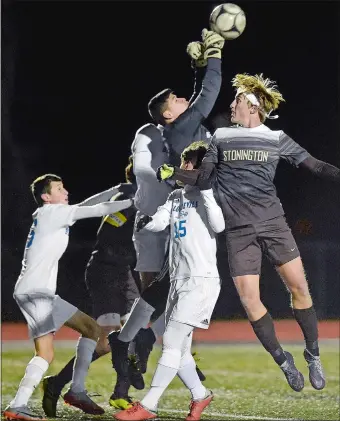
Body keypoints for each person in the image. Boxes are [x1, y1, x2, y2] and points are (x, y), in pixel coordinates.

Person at [157, 73, 340, 392]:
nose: (231, 104)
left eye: (237, 100)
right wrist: (174, 174)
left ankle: (312, 355)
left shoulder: (277, 138)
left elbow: (316, 166)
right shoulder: (221, 137)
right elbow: (203, 180)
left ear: (253, 107)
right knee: (250, 301)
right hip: (239, 232)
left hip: (274, 225)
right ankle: (284, 361)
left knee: (300, 290)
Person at [109, 28, 225, 378]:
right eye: (174, 99)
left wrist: (197, 65)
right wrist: (216, 55)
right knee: (182, 285)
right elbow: (209, 92)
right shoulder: (178, 128)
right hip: (195, 208)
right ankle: (148, 343)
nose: (181, 100)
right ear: (168, 115)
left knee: (174, 286)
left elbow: (196, 95)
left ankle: (140, 340)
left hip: (197, 204)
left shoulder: (180, 126)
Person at [3, 174, 134, 421]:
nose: (66, 192)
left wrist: (116, 188)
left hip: (38, 292)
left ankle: (76, 390)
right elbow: (100, 209)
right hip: (37, 293)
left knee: (92, 330)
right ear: (46, 197)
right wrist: (135, 202)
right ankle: (17, 405)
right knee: (45, 354)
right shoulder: (51, 213)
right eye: (59, 189)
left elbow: (85, 206)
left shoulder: (52, 214)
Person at [114, 141, 225, 421]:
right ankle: (201, 395)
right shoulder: (176, 196)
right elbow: (160, 222)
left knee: (171, 342)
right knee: (182, 350)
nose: (184, 167)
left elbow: (220, 225)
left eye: (188, 163)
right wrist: (146, 222)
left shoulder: (208, 194)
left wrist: (208, 192)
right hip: (178, 281)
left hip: (200, 281)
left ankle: (149, 404)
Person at [41, 159, 141, 417]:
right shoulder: (129, 196)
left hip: (122, 272)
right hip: (107, 271)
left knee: (134, 330)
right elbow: (107, 232)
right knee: (106, 338)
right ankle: (64, 384)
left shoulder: (142, 195)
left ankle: (121, 389)